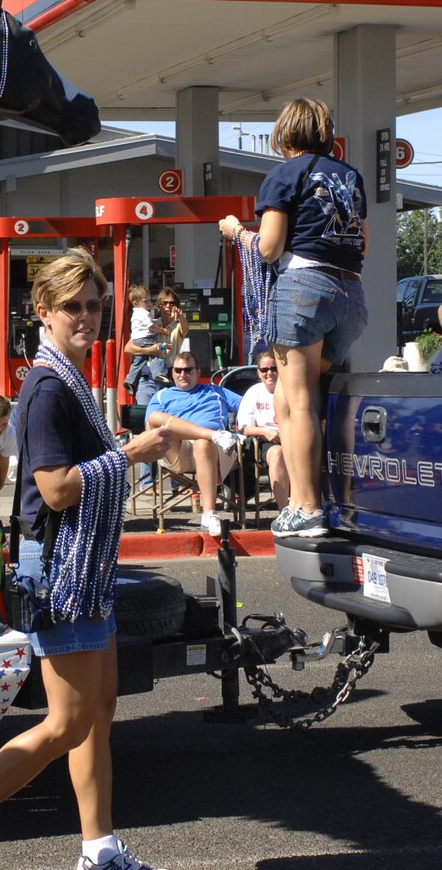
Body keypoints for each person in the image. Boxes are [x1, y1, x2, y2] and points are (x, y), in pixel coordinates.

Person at [0, 250, 177, 870]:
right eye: (73, 306)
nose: (87, 316)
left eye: (94, 304)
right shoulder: (49, 387)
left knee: (98, 713)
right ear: (44, 312)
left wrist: (114, 452)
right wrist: (129, 456)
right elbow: (55, 490)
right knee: (67, 723)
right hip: (61, 570)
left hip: (82, 569)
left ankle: (100, 851)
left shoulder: (66, 379)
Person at [218, 97, 367, 541]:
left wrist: (236, 232)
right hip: (351, 295)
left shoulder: (285, 173)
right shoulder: (350, 176)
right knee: (290, 397)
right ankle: (325, 497)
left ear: (284, 134)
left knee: (299, 403)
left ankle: (308, 506)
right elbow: (364, 246)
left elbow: (269, 247)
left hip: (303, 290)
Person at [144, 355, 244, 537]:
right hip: (179, 451)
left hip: (213, 451)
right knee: (155, 418)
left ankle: (209, 515)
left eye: (188, 370)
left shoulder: (216, 391)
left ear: (198, 372)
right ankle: (212, 434)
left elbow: (248, 405)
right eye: (178, 370)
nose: (183, 374)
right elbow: (149, 426)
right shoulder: (161, 395)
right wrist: (212, 434)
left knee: (202, 444)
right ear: (172, 373)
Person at [235, 353, 287, 511]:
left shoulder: (290, 389)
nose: (269, 373)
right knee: (278, 454)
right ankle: (284, 510)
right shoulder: (253, 392)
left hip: (292, 438)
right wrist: (265, 431)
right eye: (264, 369)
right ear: (258, 373)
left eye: (273, 368)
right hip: (265, 441)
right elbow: (244, 428)